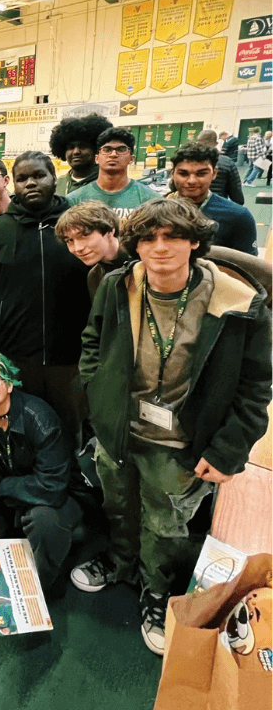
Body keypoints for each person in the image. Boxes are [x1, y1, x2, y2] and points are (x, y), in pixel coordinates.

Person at [73, 198, 272, 655]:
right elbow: (92, 342)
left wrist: (228, 451)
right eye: (148, 238)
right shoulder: (116, 286)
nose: (159, 247)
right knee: (118, 503)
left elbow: (256, 386)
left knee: (166, 524)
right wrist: (100, 397)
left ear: (195, 241)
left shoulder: (239, 304)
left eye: (173, 236)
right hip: (120, 430)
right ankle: (121, 562)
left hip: (182, 440)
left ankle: (156, 588)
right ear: (135, 244)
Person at [0, 151, 91, 442]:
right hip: (16, 357)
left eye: (38, 176)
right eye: (22, 178)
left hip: (71, 358)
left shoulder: (76, 227)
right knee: (22, 433)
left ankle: (72, 483)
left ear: (53, 178)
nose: (30, 183)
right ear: (14, 184)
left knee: (70, 431)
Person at [0, 352, 83, 591]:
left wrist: (4, 487)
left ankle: (38, 585)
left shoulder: (37, 416)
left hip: (56, 496)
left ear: (9, 384)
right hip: (15, 492)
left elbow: (53, 487)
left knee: (44, 522)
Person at [168, 144, 258, 255]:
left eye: (201, 174)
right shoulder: (157, 213)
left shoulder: (238, 217)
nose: (191, 181)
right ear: (173, 174)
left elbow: (247, 268)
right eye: (183, 173)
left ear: (214, 173)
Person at [66, 128, 157, 220]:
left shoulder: (151, 200)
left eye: (121, 149)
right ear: (96, 158)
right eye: (107, 149)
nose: (113, 154)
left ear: (131, 159)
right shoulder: (74, 200)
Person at [54, 201, 128, 300]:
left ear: (110, 230)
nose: (78, 248)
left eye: (84, 235)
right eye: (69, 240)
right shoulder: (95, 276)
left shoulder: (143, 262)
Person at [49, 113, 113, 196]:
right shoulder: (59, 183)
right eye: (71, 147)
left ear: (96, 150)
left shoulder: (108, 181)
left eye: (83, 146)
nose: (76, 151)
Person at [195, 129, 244, 204]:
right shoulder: (227, 162)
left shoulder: (186, 160)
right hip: (217, 206)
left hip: (189, 208)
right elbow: (237, 197)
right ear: (216, 143)